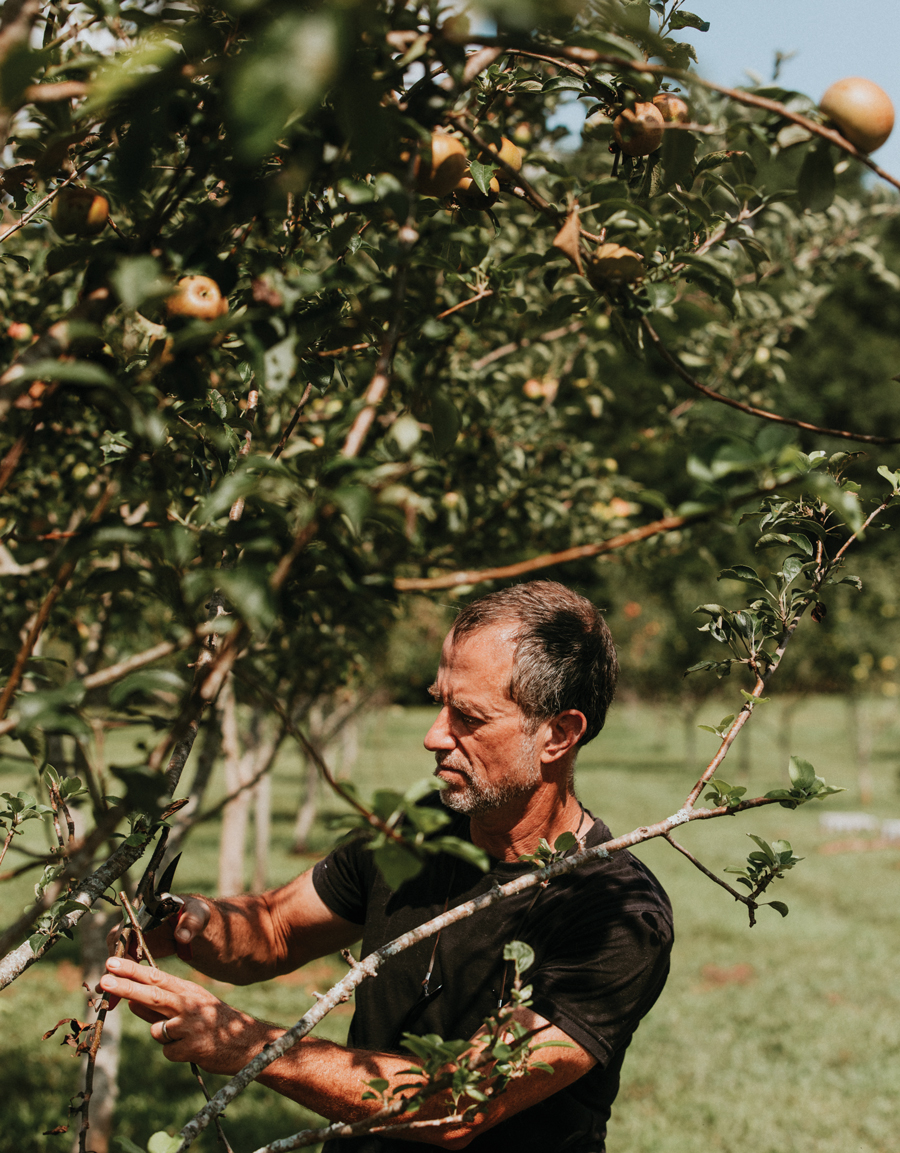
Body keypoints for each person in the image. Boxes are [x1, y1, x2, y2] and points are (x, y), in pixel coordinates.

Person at [100, 580, 673, 1152]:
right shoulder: (416, 833)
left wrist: (244, 1042)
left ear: (559, 734)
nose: (433, 736)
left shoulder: (616, 916)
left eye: (468, 717)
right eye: (437, 702)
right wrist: (188, 922)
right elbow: (275, 928)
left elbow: (454, 1105)